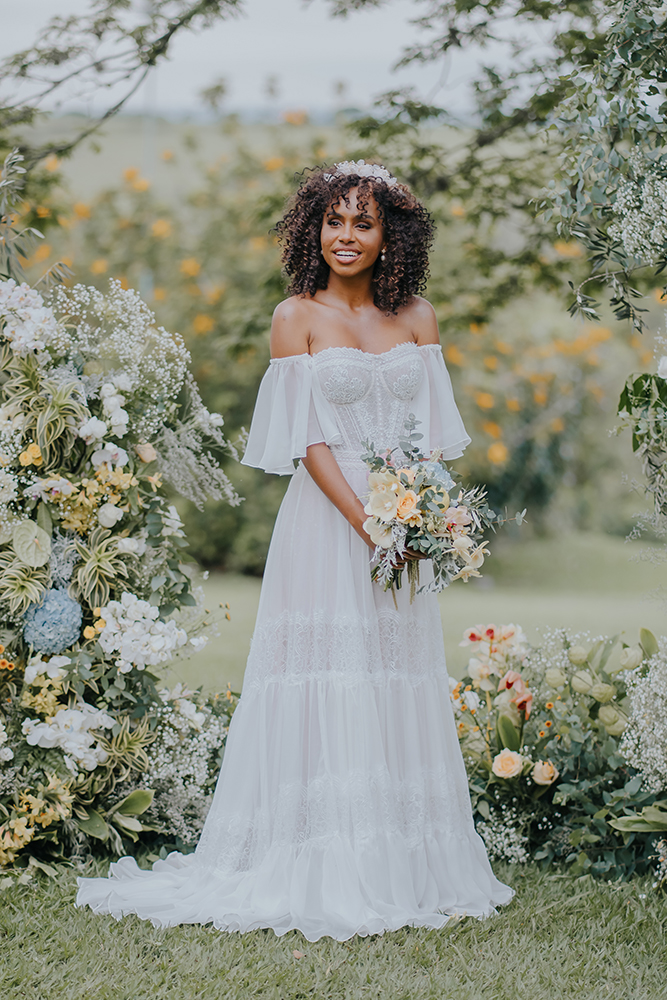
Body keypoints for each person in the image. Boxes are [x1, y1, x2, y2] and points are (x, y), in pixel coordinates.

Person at [76, 160, 513, 941]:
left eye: (363, 223)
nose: (346, 237)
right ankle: (317, 857)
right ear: (314, 228)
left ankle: (410, 864)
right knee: (327, 675)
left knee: (392, 672)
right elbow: (306, 442)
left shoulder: (418, 317)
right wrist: (367, 520)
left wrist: (425, 520)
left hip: (404, 528)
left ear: (391, 236)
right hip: (328, 524)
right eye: (334, 221)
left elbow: (432, 439)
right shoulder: (295, 318)